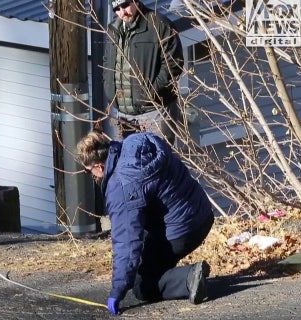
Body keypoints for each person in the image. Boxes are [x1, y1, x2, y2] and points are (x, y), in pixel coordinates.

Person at [76, 130, 214, 315]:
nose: (92, 176)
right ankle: (172, 272)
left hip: (182, 231)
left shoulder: (120, 187)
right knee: (146, 253)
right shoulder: (136, 142)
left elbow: (126, 241)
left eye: (89, 171)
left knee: (142, 285)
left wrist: (118, 290)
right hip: (202, 211)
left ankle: (189, 279)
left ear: (99, 167)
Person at [103, 0, 184, 145]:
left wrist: (149, 93)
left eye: (125, 5)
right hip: (123, 114)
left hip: (154, 111)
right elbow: (107, 62)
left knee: (158, 161)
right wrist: (109, 88)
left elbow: (174, 65)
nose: (122, 12)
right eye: (117, 8)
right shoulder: (113, 29)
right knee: (129, 163)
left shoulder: (159, 25)